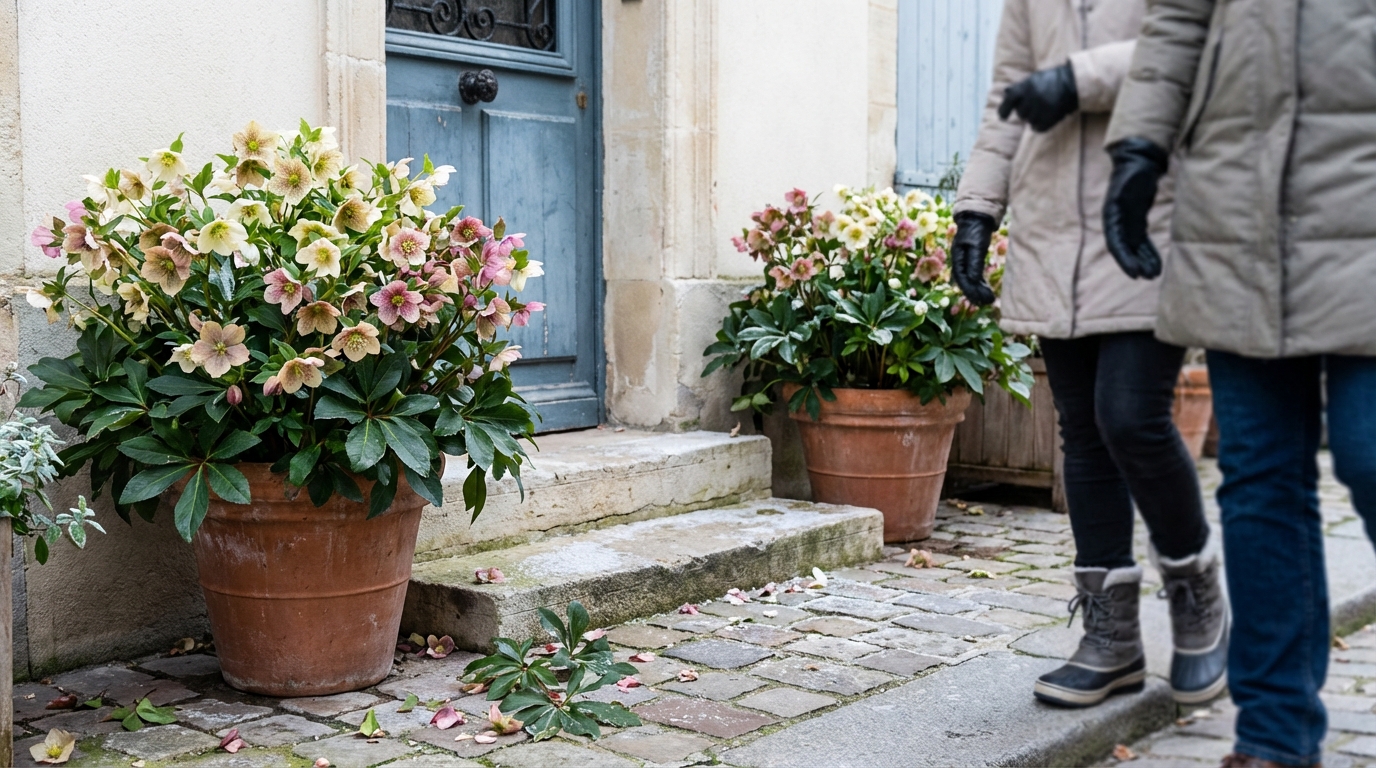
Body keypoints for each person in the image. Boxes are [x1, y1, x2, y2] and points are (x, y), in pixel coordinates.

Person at [1102, 1, 1376, 765]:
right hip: (1239, 193)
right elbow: (1182, 16)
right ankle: (1274, 739)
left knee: (1370, 450)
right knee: (1258, 474)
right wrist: (1139, 146)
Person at [951, 0, 1228, 709]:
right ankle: (1112, 639)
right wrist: (978, 209)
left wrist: (1077, 78)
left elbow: (1193, 54)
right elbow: (1007, 94)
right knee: (1080, 429)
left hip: (1146, 213)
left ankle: (1197, 593)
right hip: (1050, 228)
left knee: (1130, 416)